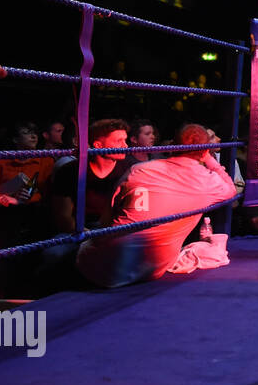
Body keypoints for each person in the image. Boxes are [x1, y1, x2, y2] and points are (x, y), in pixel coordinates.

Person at [75, 123, 238, 288]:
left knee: (74, 247)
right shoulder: (208, 182)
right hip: (152, 270)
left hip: (100, 268)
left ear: (173, 147)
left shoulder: (138, 170)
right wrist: (208, 157)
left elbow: (106, 221)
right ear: (204, 151)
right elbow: (231, 189)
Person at [49, 119, 134, 232]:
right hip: (80, 230)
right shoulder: (69, 170)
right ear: (98, 145)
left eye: (125, 140)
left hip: (117, 228)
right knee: (53, 250)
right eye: (119, 141)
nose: (125, 145)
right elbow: (63, 218)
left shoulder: (131, 169)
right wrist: (89, 236)